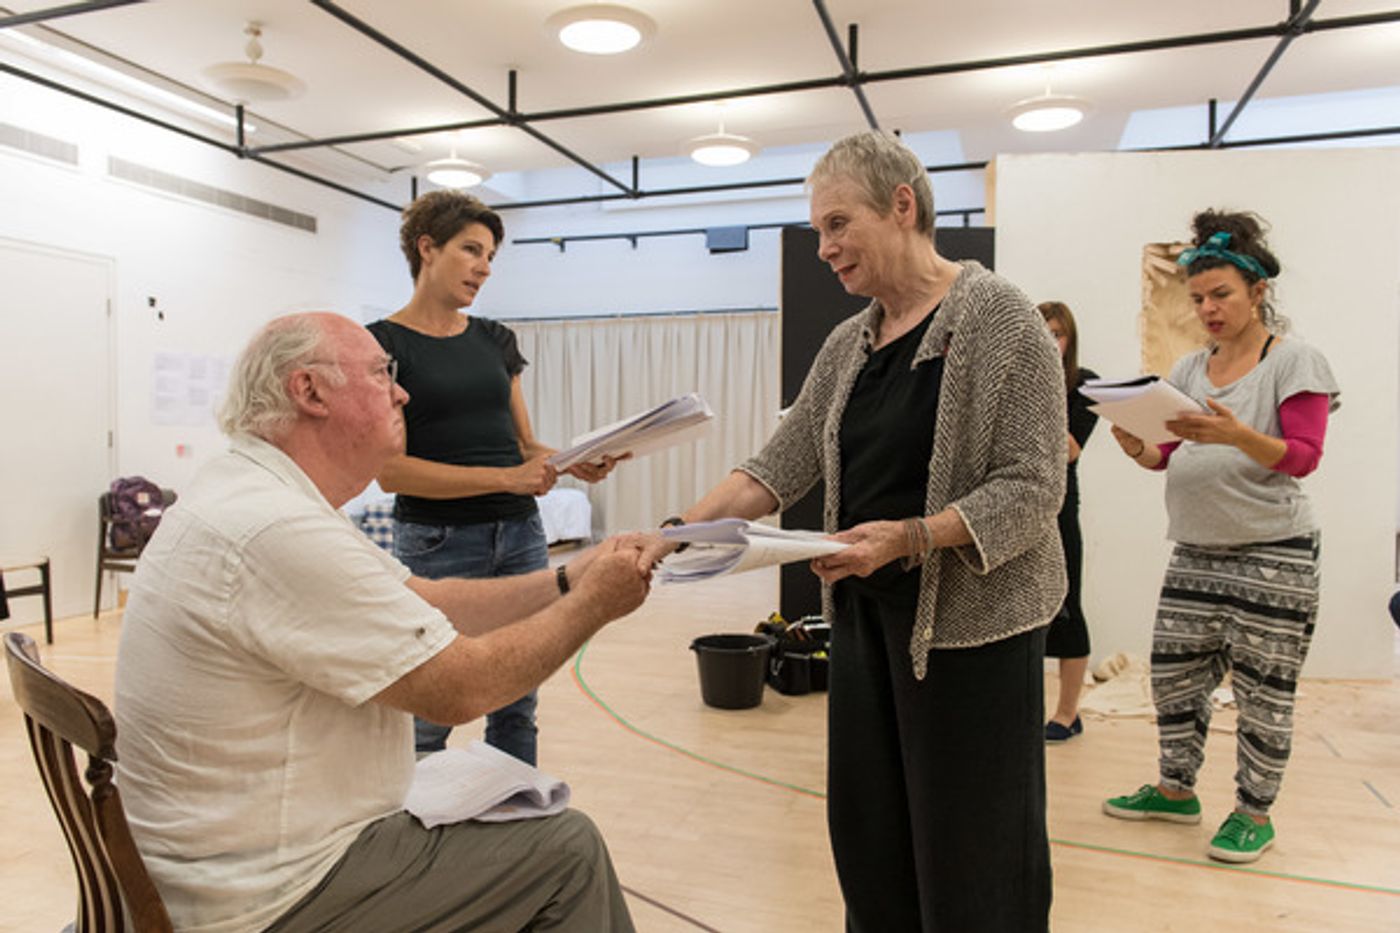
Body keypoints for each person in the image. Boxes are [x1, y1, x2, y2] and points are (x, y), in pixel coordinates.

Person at [645, 131, 1066, 932]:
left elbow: (1032, 488)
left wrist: (909, 537)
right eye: (818, 231)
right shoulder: (850, 342)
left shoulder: (1002, 319)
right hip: (868, 624)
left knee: (977, 852)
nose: (824, 248)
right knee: (873, 841)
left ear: (902, 205)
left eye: (837, 224)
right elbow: (780, 462)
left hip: (973, 637)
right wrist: (676, 530)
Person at [114, 312, 650, 932]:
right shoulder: (275, 528)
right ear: (310, 391)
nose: (402, 393)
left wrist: (569, 579)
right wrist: (593, 605)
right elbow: (463, 687)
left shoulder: (252, 490)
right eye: (380, 374)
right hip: (265, 896)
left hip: (220, 859)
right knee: (567, 852)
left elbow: (427, 599)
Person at [1102, 209, 1340, 865]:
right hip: (1195, 549)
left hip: (1275, 551)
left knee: (1264, 689)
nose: (1207, 308)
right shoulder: (1187, 369)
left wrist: (1237, 433)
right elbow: (1167, 455)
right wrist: (1135, 445)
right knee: (1174, 678)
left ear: (1257, 291)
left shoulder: (1293, 361)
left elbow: (1304, 456)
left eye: (1221, 295)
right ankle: (1175, 791)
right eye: (1198, 297)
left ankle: (1253, 812)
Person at [368, 190, 621, 764]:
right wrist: (508, 479)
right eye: (471, 250)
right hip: (437, 543)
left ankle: (517, 809)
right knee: (430, 707)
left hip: (520, 535)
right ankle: (414, 816)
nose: (484, 267)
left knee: (517, 701)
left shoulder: (494, 339)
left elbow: (524, 445)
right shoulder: (381, 345)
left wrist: (574, 458)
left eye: (490, 256)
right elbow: (390, 472)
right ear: (427, 248)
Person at [1039, 301, 1099, 742]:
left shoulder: (1085, 384)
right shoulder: (1014, 380)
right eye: (1042, 332)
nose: (1050, 341)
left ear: (1070, 340)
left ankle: (1066, 713)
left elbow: (1070, 449)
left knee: (1067, 607)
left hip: (1059, 508)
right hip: (1018, 508)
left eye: (1057, 334)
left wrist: (1041, 391)